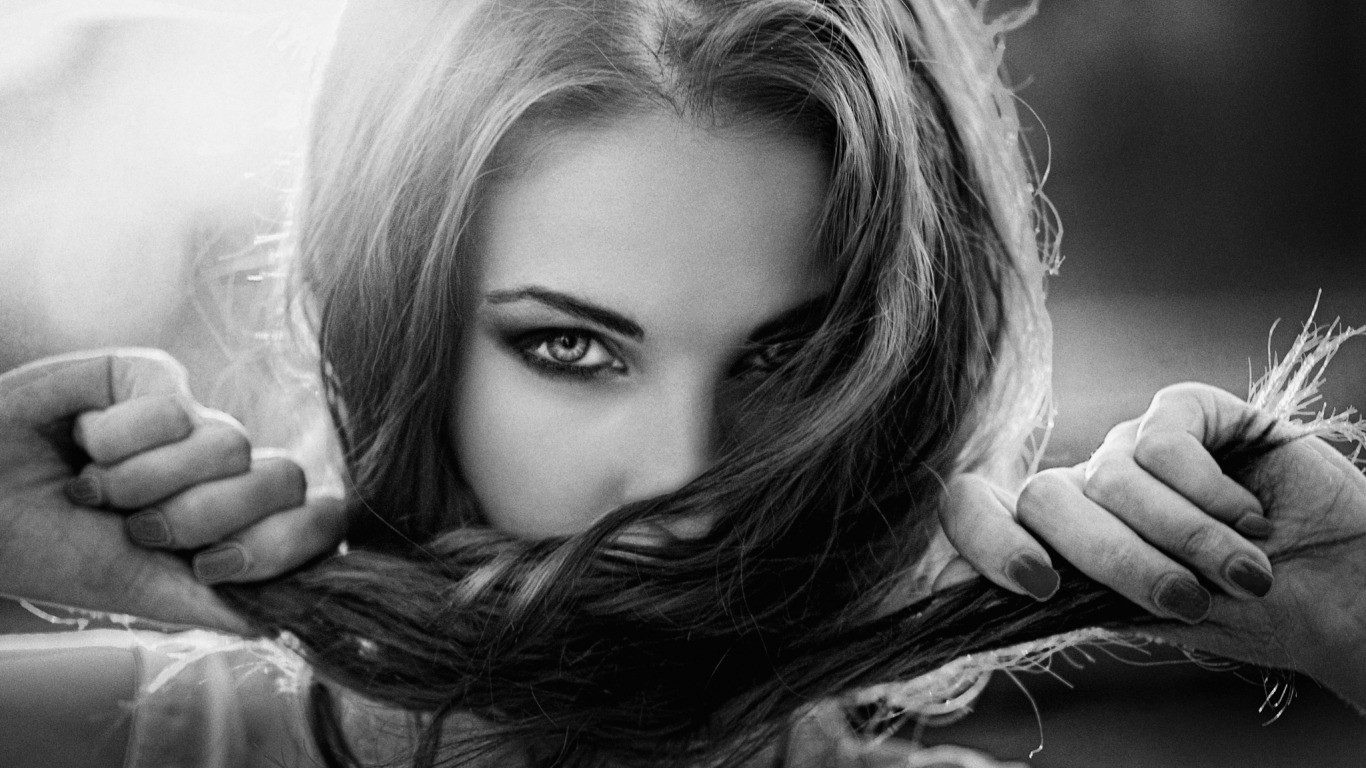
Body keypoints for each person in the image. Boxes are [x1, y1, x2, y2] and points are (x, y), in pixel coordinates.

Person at [0, 0, 1361, 766]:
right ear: (404, 340)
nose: (683, 477)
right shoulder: (123, 744)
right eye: (571, 348)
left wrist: (1349, 618)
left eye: (789, 356)